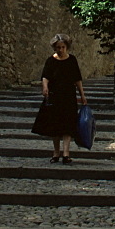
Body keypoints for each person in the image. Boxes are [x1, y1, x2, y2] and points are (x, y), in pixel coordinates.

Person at [31, 33, 86, 163]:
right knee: (55, 125)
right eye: (58, 47)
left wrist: (82, 95)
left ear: (66, 47)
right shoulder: (50, 61)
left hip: (68, 96)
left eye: (63, 47)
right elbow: (45, 76)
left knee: (68, 124)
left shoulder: (72, 60)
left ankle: (66, 154)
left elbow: (77, 79)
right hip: (54, 96)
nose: (60, 50)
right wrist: (45, 87)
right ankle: (56, 153)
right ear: (54, 48)